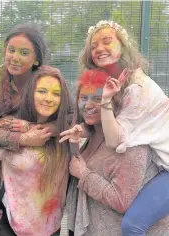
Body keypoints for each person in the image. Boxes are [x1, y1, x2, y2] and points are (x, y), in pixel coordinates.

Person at [60, 20, 169, 236]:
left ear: (124, 45)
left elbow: (114, 139)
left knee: (133, 226)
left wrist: (84, 174)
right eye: (94, 46)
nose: (99, 48)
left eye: (107, 41)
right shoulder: (120, 80)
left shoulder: (137, 89)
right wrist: (84, 128)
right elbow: (104, 116)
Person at [0, 23, 73, 236]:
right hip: (0, 147)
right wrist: (23, 138)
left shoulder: (47, 77)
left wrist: (47, 130)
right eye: (11, 50)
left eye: (24, 53)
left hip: (43, 147)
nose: (15, 57)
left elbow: (70, 115)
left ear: (36, 58)